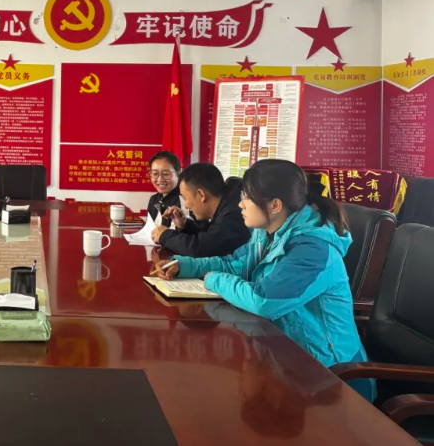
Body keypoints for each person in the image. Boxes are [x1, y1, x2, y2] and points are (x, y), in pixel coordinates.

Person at [153, 159, 374, 401]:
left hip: (332, 379)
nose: (240, 204)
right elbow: (234, 264)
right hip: (287, 358)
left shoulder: (312, 250)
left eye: (246, 198)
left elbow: (264, 301)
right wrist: (184, 265)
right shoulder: (266, 233)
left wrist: (212, 279)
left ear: (275, 205)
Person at [154, 162, 251, 257]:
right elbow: (212, 235)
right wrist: (185, 225)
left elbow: (203, 249)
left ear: (201, 195)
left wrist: (165, 236)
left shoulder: (235, 213)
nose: (186, 205)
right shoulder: (228, 202)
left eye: (185, 198)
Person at [145, 151, 186, 227]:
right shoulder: (153, 199)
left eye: (166, 174)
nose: (160, 179)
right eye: (155, 174)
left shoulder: (186, 200)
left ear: (178, 173)